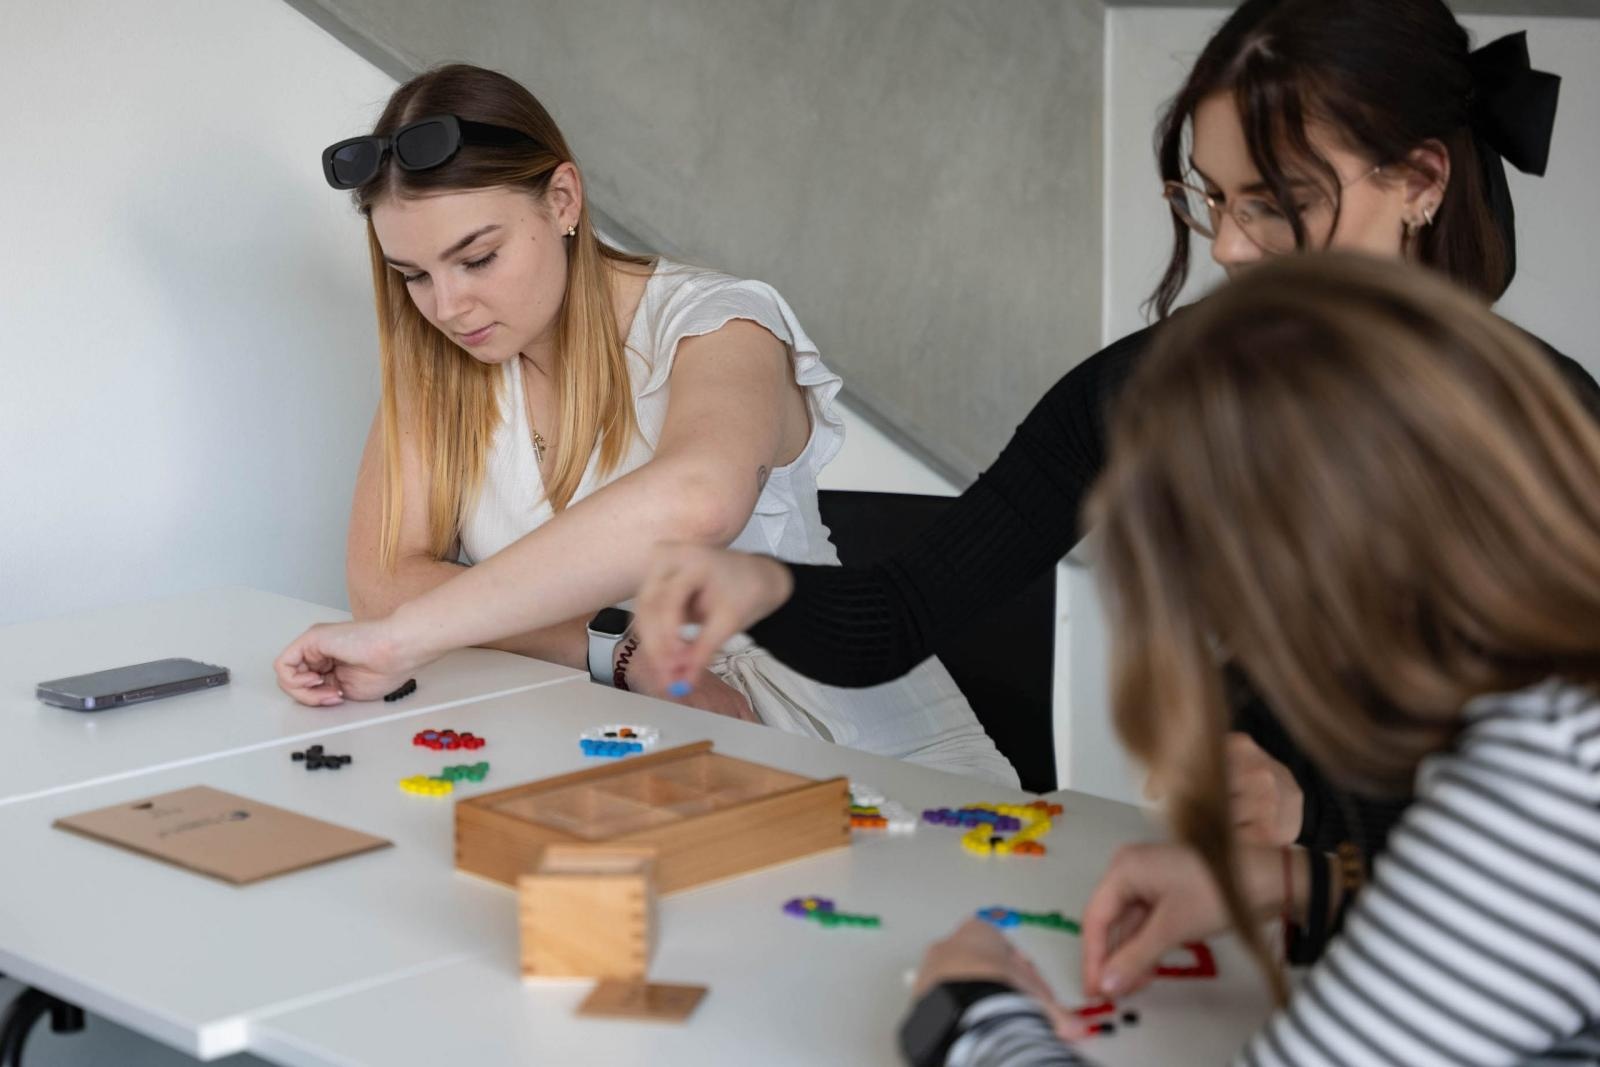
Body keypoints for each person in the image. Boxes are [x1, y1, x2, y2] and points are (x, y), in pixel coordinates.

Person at [633, 0, 1592, 861]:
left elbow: (1556, 813)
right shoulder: (1152, 390)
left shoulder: (1546, 435)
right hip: (1236, 911)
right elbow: (899, 616)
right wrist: (758, 585)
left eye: (1280, 202)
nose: (1230, 246)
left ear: (1420, 181)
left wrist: (1309, 818)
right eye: (1214, 197)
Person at [901, 252, 1600, 1066]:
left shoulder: (1549, 773)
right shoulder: (1558, 717)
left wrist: (969, 1013)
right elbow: (1527, 927)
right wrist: (1306, 883)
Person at [275, 64, 1016, 785]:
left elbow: (697, 501)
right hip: (619, 731)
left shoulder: (721, 324)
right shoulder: (441, 359)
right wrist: (620, 650)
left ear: (562, 200)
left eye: (478, 258)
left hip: (857, 744)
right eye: (412, 275)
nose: (447, 306)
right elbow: (383, 582)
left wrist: (413, 633)